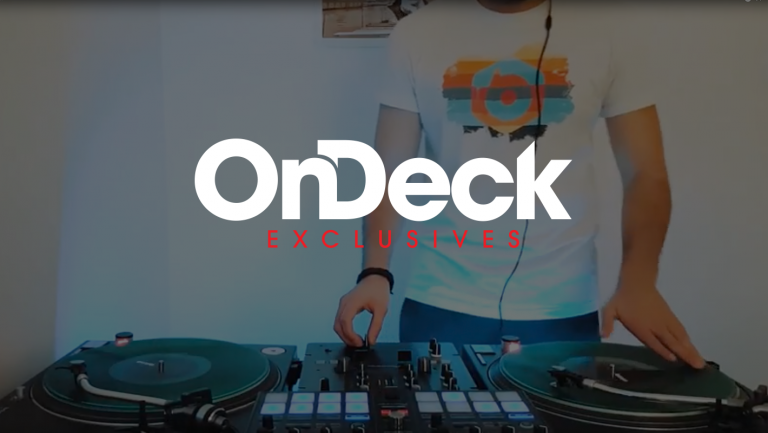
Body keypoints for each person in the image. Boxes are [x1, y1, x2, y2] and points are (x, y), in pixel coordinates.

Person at [333, 0, 706, 368]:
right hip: (441, 302)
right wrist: (374, 273)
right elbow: (389, 171)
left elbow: (645, 174)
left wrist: (639, 282)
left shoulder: (609, 31)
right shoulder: (416, 33)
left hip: (563, 310)